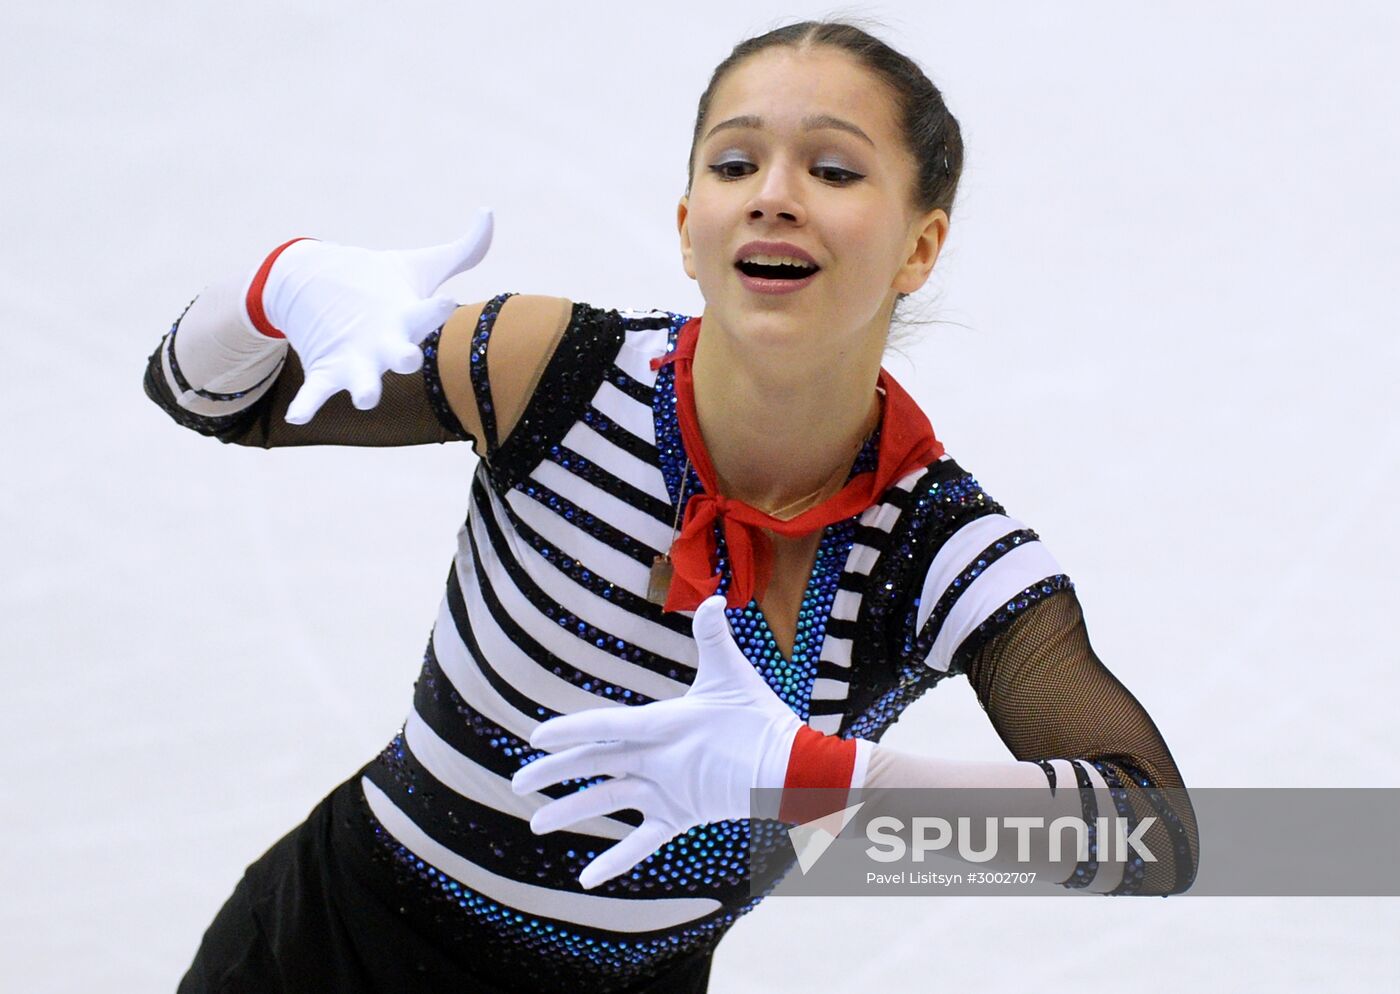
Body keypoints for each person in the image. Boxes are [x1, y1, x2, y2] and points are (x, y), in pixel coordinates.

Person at [145, 20, 1198, 994]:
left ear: (918, 249)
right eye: (734, 164)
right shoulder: (555, 372)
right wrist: (280, 284)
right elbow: (205, 394)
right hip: (323, 954)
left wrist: (821, 776)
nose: (773, 194)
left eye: (831, 169)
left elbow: (1152, 843)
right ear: (690, 225)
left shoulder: (936, 550)